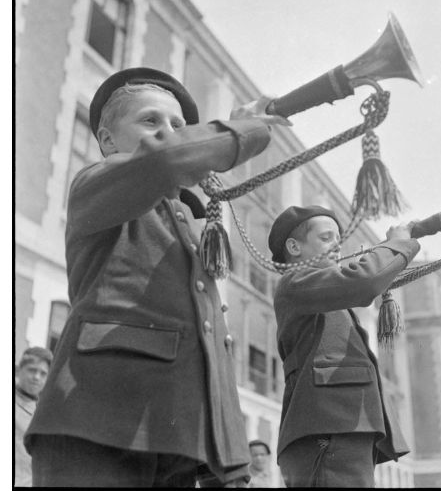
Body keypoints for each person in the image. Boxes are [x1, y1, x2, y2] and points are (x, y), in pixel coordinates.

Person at [25, 67, 289, 488]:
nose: (167, 132)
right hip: (94, 422)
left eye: (178, 126)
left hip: (176, 440)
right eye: (151, 121)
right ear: (108, 140)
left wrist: (231, 462)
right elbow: (164, 158)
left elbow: (211, 338)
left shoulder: (186, 220)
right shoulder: (94, 183)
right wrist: (244, 129)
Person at [267, 205, 420, 487]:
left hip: (341, 429)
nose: (338, 244)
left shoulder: (321, 292)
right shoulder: (295, 281)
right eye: (326, 237)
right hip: (328, 430)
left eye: (338, 237)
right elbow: (365, 282)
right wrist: (397, 244)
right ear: (294, 246)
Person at [15, 347, 53, 487]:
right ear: (19, 371)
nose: (37, 377)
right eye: (32, 370)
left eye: (43, 374)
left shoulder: (44, 411)